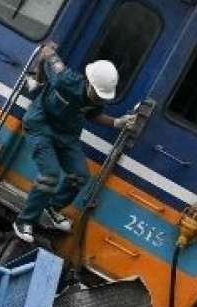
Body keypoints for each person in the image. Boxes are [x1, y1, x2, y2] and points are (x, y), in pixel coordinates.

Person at [12, 40, 128, 243]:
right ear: (89, 83)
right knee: (50, 175)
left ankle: (52, 208)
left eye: (103, 97)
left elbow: (93, 114)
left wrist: (117, 122)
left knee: (80, 175)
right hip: (41, 127)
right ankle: (24, 221)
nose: (100, 99)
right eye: (98, 94)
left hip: (67, 136)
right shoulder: (65, 79)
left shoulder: (97, 99)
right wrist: (37, 77)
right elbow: (47, 51)